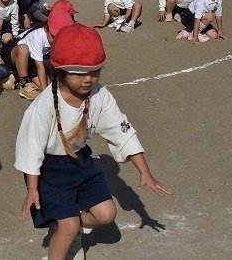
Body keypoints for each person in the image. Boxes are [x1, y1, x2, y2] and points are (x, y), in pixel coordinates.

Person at [15, 23, 170, 259]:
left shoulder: (99, 95)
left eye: (94, 71)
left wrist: (144, 171)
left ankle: (71, 227)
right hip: (49, 170)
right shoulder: (44, 105)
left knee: (106, 214)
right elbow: (31, 148)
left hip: (81, 162)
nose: (88, 79)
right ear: (59, 70)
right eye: (79, 73)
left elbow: (121, 130)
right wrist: (32, 189)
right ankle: (63, 239)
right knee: (67, 227)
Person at [0, 9, 73, 100]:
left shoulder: (56, 38)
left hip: (30, 59)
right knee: (23, 49)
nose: (56, 40)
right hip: (12, 52)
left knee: (49, 85)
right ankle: (24, 84)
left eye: (60, 37)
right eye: (54, 36)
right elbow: (40, 67)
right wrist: (45, 93)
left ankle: (16, 76)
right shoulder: (38, 36)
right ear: (46, 28)